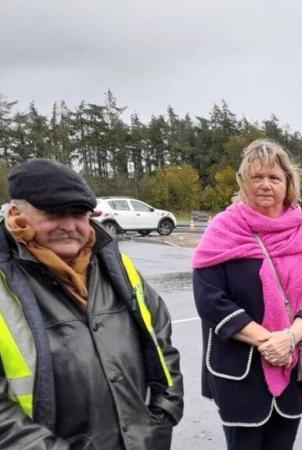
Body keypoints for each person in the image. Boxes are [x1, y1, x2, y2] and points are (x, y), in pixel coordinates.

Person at [0, 159, 183, 449]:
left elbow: (160, 338)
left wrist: (162, 414)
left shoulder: (115, 265)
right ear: (15, 213)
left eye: (79, 214)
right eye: (54, 214)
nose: (70, 226)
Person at [192, 139, 302, 450]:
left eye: (274, 177)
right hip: (240, 373)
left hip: (294, 359)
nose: (265, 185)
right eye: (256, 177)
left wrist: (290, 337)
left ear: (288, 183)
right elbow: (210, 298)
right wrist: (267, 341)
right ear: (243, 182)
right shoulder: (223, 230)